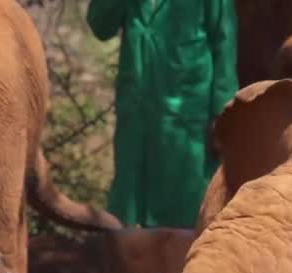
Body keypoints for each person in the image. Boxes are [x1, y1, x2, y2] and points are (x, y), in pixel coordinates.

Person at [88, 0, 238, 228]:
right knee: (129, 222)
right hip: (136, 120)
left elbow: (224, 40)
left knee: (189, 222)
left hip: (189, 121)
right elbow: (100, 25)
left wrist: (223, 113)